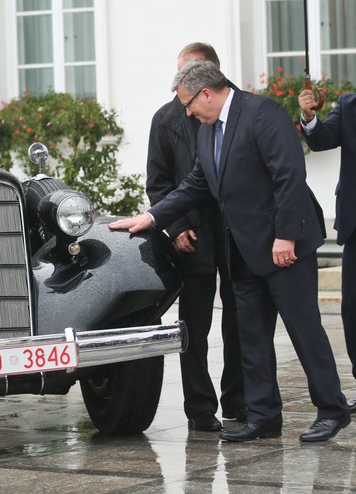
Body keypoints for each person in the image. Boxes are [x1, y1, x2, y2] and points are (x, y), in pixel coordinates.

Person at [110, 60, 350, 442]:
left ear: (207, 92)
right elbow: (195, 184)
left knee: (304, 331)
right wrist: (151, 217)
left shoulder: (262, 112)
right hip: (241, 250)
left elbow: (288, 175)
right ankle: (263, 416)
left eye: (189, 103)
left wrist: (285, 236)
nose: (187, 112)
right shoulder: (207, 130)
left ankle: (332, 409)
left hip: (282, 247)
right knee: (251, 336)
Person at [146, 42, 245, 433]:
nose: (181, 89)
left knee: (240, 322)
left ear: (209, 79)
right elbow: (159, 184)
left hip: (235, 235)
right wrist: (175, 229)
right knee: (194, 327)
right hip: (192, 238)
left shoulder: (240, 110)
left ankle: (239, 401)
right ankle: (199, 408)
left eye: (188, 78)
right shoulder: (165, 119)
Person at [298, 88, 356, 413]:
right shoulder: (349, 104)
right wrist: (308, 116)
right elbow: (320, 139)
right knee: (353, 311)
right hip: (355, 225)